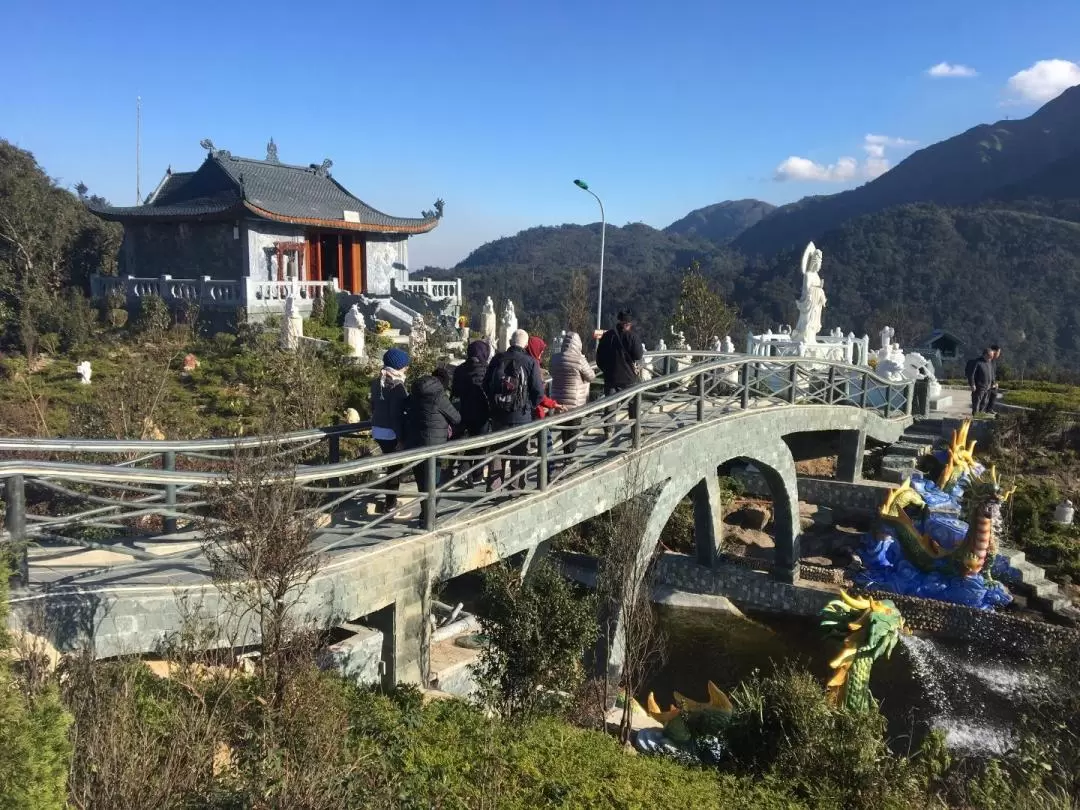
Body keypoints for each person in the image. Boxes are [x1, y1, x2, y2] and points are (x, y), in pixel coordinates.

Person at [484, 329, 544, 490]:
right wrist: (527, 407)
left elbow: (486, 384)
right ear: (525, 344)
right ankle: (516, 488)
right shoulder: (530, 362)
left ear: (511, 341)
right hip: (521, 417)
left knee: (498, 451)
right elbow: (538, 391)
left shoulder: (498, 359)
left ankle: (493, 488)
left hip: (499, 415)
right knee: (520, 453)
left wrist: (494, 403)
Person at [406, 365, 461, 525]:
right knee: (433, 481)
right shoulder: (439, 397)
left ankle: (425, 515)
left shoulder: (414, 394)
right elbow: (456, 418)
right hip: (433, 445)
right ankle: (428, 518)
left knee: (421, 481)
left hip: (414, 442)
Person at [369, 348, 410, 513]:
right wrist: (401, 438)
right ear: (399, 366)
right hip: (391, 432)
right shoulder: (397, 385)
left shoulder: (377, 381)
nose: (407, 368)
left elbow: (373, 405)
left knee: (391, 466)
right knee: (394, 469)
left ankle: (390, 502)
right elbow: (396, 415)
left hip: (378, 429)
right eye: (405, 365)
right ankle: (390, 505)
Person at [596, 310, 644, 436]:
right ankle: (635, 431)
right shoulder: (632, 337)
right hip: (629, 378)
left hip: (611, 377)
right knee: (634, 404)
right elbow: (638, 355)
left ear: (618, 321)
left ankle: (608, 430)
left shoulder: (607, 336)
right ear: (629, 324)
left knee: (610, 405)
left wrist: (606, 370)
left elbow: (599, 358)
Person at [452, 339, 493, 484]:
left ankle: (466, 472)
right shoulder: (487, 369)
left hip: (464, 411)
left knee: (469, 443)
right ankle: (474, 475)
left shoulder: (460, 369)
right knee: (481, 445)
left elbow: (455, 391)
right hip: (482, 413)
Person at [549, 330, 595, 455]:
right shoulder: (579, 360)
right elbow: (591, 376)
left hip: (559, 401)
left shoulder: (554, 359)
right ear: (577, 344)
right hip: (576, 401)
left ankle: (565, 454)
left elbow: (552, 373)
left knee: (564, 429)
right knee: (574, 430)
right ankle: (569, 458)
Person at [968, 348, 994, 415]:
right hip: (979, 387)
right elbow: (971, 374)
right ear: (985, 355)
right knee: (976, 404)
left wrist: (993, 382)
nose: (991, 358)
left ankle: (980, 417)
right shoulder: (977, 362)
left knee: (984, 403)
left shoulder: (989, 363)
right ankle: (975, 419)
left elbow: (991, 374)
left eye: (992, 357)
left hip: (987, 387)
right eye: (990, 356)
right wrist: (972, 384)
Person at [987, 344, 1002, 413]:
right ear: (994, 351)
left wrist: (995, 383)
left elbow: (993, 373)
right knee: (984, 398)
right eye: (998, 352)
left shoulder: (994, 361)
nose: (999, 354)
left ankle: (989, 409)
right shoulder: (988, 360)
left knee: (994, 394)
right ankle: (980, 412)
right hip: (986, 383)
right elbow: (987, 373)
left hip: (992, 383)